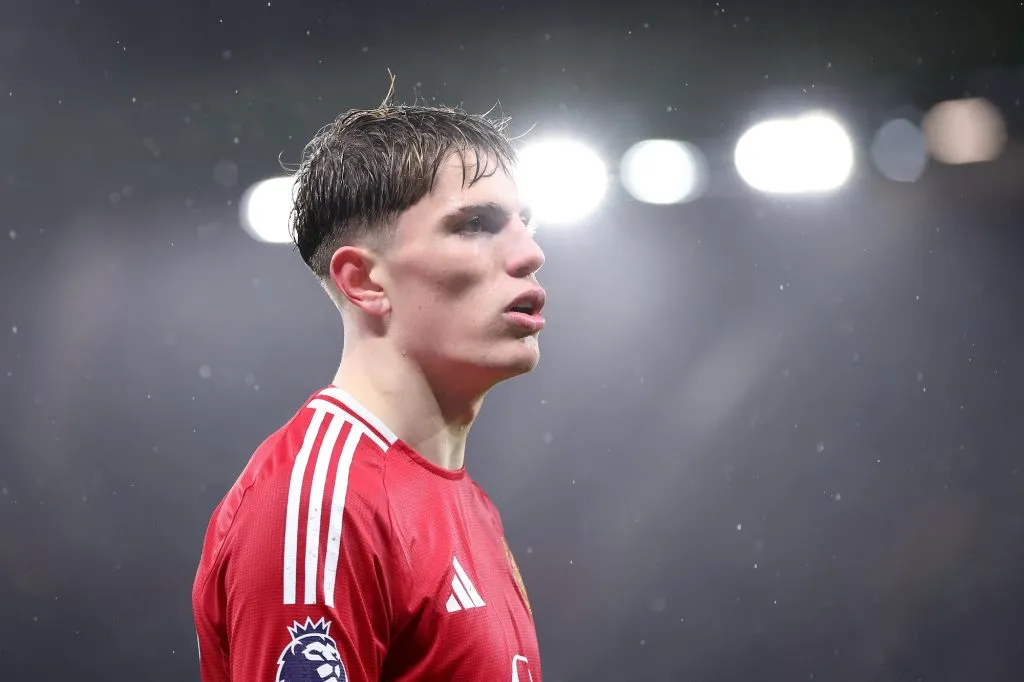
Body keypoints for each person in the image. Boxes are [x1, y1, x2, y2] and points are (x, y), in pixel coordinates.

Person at [192, 92, 546, 682]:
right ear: (364, 281)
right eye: (476, 225)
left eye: (525, 225)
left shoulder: (468, 504)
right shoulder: (322, 506)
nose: (531, 254)